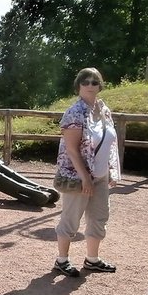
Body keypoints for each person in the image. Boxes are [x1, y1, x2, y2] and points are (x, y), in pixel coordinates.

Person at [53, 67, 121, 277]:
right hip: (79, 176)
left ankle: (92, 259)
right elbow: (72, 150)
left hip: (100, 175)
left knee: (99, 218)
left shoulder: (103, 110)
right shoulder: (75, 112)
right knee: (71, 218)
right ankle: (62, 260)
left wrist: (110, 171)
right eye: (85, 82)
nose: (90, 85)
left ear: (100, 86)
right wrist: (85, 178)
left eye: (94, 82)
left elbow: (109, 143)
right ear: (78, 86)